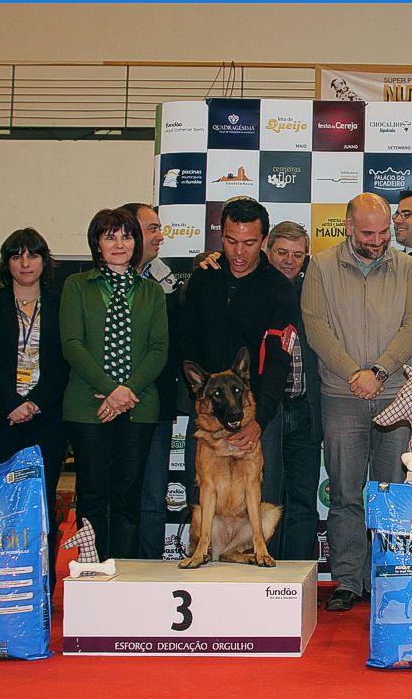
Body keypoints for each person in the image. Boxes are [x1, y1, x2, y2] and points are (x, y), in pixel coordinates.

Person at [302, 193, 412, 612]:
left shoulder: (408, 267)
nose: (377, 241)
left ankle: (387, 578)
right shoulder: (321, 266)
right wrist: (354, 374)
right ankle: (348, 581)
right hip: (341, 396)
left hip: (396, 397)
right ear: (348, 227)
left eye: (383, 232)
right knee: (345, 494)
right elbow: (317, 328)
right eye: (368, 233)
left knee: (391, 494)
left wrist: (378, 372)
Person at [178, 198, 300, 560]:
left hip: (257, 413)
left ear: (263, 240)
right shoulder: (204, 277)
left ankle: (260, 572)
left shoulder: (279, 288)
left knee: (262, 498)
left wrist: (259, 419)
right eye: (231, 241)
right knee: (203, 496)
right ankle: (203, 561)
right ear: (221, 236)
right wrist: (201, 399)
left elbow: (278, 359)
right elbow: (186, 343)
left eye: (249, 242)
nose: (239, 252)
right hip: (209, 413)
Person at [60, 208, 169, 562]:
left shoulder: (152, 291)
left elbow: (159, 349)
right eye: (110, 237)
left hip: (138, 406)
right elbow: (72, 344)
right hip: (87, 406)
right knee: (92, 496)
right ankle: (92, 573)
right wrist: (110, 389)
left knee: (128, 497)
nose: (120, 244)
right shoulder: (77, 285)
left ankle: (124, 575)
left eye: (126, 236)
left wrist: (125, 392)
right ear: (97, 244)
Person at [0, 228, 69, 589]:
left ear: (45, 261)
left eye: (32, 255)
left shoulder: (61, 304)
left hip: (47, 419)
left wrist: (35, 402)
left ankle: (40, 583)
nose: (25, 263)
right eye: (17, 256)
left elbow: (65, 362)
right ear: (7, 263)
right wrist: (11, 403)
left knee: (40, 502)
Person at [121, 202, 186, 560]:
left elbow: (169, 345)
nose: (161, 236)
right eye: (152, 229)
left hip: (155, 403)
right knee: (114, 494)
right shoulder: (99, 282)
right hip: (106, 404)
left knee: (152, 497)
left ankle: (146, 573)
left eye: (160, 228)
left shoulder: (167, 280)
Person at [264, 221, 323, 560]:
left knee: (303, 501)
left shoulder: (314, 290)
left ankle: (299, 575)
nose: (289, 261)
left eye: (297, 255)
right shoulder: (254, 287)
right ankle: (264, 574)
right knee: (267, 498)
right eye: (282, 252)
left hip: (304, 407)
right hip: (267, 410)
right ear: (268, 250)